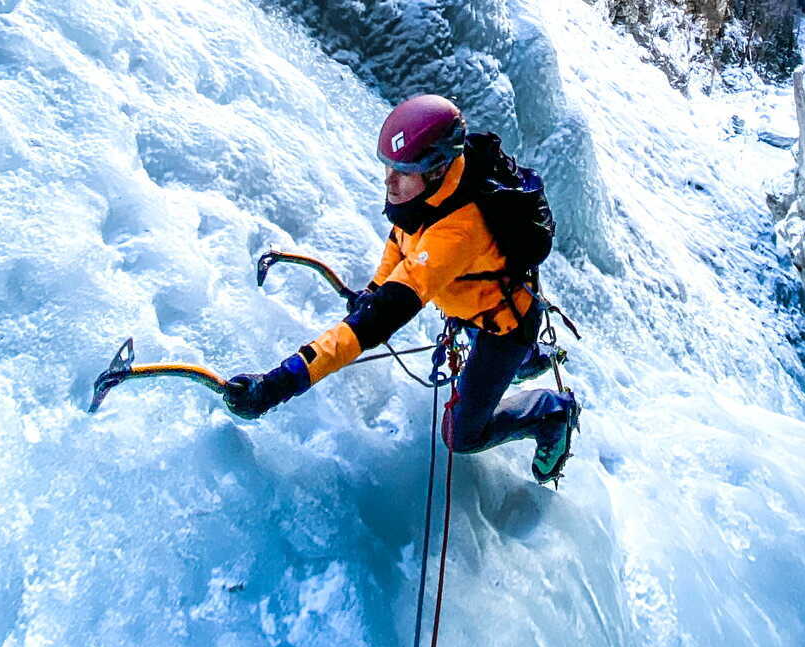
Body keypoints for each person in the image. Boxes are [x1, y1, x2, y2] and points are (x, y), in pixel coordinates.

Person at [224, 95, 580, 484]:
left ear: (438, 168)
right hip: (478, 300)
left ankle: (551, 413)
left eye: (403, 172)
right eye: (389, 167)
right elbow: (402, 238)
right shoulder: (432, 192)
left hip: (504, 327)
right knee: (480, 333)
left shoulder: (457, 235)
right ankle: (528, 360)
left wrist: (277, 384)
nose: (389, 181)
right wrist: (377, 287)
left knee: (460, 436)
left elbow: (373, 324)